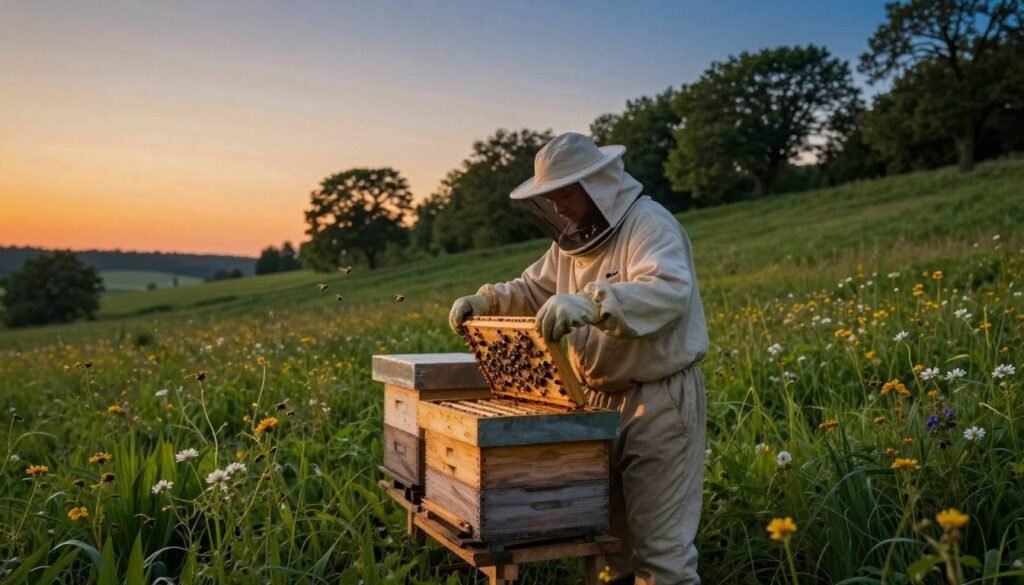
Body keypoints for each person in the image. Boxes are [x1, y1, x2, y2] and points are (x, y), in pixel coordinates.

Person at [448, 132, 709, 584]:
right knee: (608, 547)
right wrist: (487, 301)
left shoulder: (649, 224)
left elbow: (669, 290)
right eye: (549, 198)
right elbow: (534, 289)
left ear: (597, 186)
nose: (557, 208)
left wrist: (593, 303)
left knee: (661, 552)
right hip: (598, 401)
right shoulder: (573, 240)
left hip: (659, 399)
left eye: (564, 195)